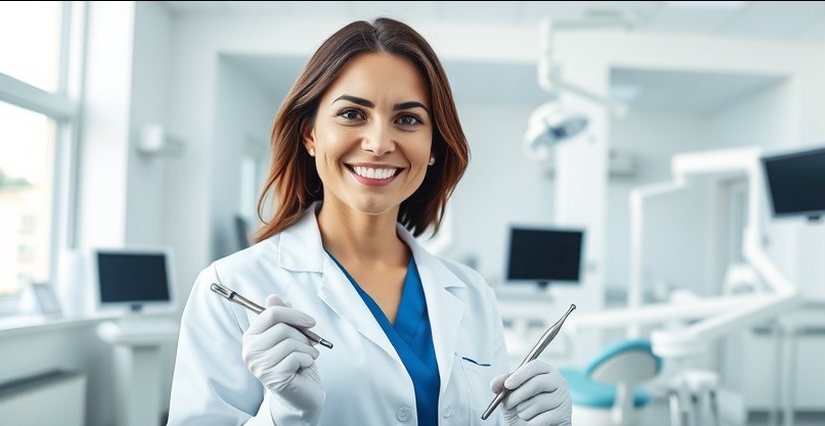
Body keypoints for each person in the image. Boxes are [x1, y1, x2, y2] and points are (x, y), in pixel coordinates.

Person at [168, 18, 573, 426]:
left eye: (408, 119)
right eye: (351, 114)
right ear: (310, 135)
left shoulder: (473, 295)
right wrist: (283, 414)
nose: (379, 144)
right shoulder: (231, 287)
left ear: (433, 145)